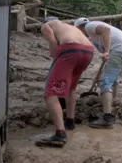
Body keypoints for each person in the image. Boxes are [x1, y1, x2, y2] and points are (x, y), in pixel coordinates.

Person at [35, 17, 94, 147]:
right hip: (88, 51)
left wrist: (56, 59)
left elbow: (51, 39)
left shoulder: (46, 26)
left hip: (71, 49)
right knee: (71, 87)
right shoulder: (69, 26)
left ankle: (60, 134)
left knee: (50, 93)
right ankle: (70, 122)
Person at [74, 17, 122, 129]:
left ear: (79, 27)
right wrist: (99, 74)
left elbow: (106, 30)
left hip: (119, 51)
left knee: (105, 82)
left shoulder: (89, 26)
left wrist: (107, 51)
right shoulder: (94, 34)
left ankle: (107, 118)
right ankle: (112, 103)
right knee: (112, 79)